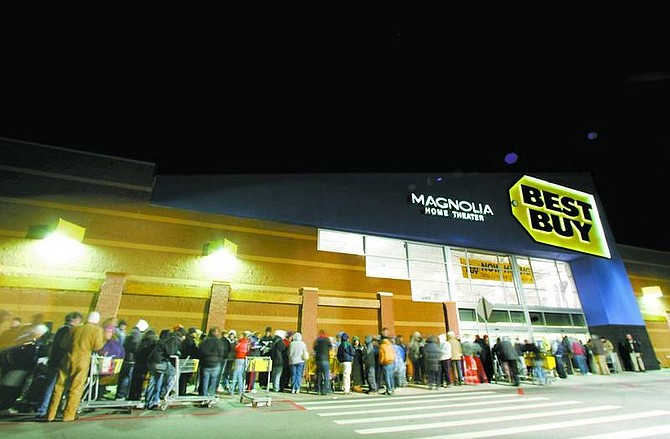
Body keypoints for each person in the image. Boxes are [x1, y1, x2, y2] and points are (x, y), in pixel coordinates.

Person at [46, 311, 104, 422]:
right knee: (75, 388)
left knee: (58, 387)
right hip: (82, 360)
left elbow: (63, 344)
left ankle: (50, 414)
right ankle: (68, 415)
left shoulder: (74, 329)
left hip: (67, 359)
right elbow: (97, 346)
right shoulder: (97, 330)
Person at [34, 311, 82, 418]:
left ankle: (45, 409)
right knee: (53, 387)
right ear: (74, 319)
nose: (79, 322)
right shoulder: (69, 331)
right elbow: (65, 347)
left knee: (51, 386)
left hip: (54, 361)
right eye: (79, 320)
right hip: (61, 362)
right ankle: (44, 410)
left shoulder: (60, 329)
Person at [197, 326, 225, 397]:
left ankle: (203, 396)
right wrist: (219, 359)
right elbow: (221, 352)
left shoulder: (205, 341)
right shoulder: (219, 342)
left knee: (204, 380)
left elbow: (200, 351)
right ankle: (211, 396)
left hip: (205, 363)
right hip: (215, 363)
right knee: (213, 380)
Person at [313, 329, 333, 395]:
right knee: (326, 375)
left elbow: (315, 348)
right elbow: (330, 347)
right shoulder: (327, 340)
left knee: (319, 375)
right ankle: (326, 390)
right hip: (325, 360)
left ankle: (318, 390)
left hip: (318, 360)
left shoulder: (317, 340)